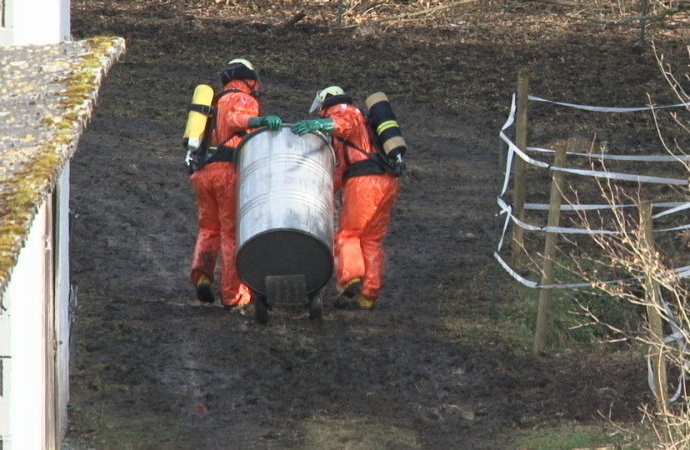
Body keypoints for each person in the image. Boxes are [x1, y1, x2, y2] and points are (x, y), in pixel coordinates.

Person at [291, 86, 400, 310]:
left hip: (364, 183)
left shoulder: (343, 110)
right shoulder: (364, 121)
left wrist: (317, 125)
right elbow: (340, 173)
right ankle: (370, 294)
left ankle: (351, 277)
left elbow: (342, 125)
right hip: (387, 180)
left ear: (325, 102)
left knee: (348, 235)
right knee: (371, 239)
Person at [189, 58, 282, 310]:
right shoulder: (242, 98)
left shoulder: (214, 101)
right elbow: (237, 119)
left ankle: (203, 276)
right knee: (231, 233)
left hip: (202, 170)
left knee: (209, 228)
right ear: (248, 79)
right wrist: (260, 121)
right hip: (227, 172)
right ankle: (234, 297)